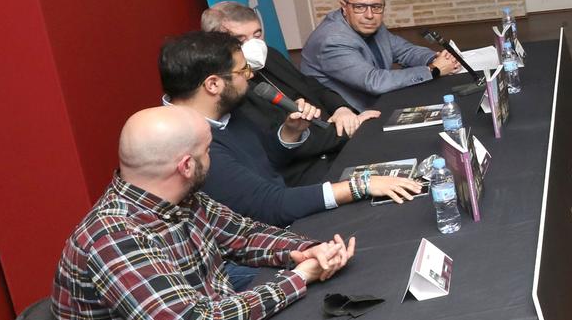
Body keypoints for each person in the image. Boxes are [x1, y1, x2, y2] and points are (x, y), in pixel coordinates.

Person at [53, 105, 358, 320]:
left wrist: (303, 250)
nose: (211, 157)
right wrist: (298, 278)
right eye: (207, 150)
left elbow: (244, 235)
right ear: (186, 166)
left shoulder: (180, 199)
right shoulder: (114, 239)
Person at [161, 32, 422, 234]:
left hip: (285, 218)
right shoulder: (189, 142)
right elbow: (270, 205)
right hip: (266, 241)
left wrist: (289, 132)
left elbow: (266, 163)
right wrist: (359, 186)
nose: (250, 76)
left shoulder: (225, 112)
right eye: (242, 71)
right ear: (214, 84)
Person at [202, 2, 375, 167]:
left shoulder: (271, 56)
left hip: (336, 139)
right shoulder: (230, 87)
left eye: (257, 35)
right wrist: (353, 127)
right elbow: (281, 142)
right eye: (241, 39)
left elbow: (312, 86)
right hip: (310, 164)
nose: (254, 44)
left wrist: (341, 109)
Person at [300, 0, 462, 111]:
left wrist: (436, 58)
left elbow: (404, 51)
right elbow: (373, 82)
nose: (369, 15)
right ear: (344, 7)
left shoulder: (369, 23)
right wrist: (433, 70)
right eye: (360, 7)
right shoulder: (332, 40)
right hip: (349, 115)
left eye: (376, 7)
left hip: (378, 99)